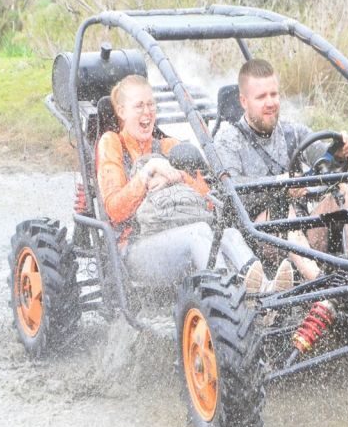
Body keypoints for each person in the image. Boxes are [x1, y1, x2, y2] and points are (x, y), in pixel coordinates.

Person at [96, 74, 293, 292]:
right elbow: (114, 211)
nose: (147, 112)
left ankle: (265, 289)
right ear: (121, 111)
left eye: (151, 104)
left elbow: (207, 199)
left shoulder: (169, 145)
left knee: (229, 234)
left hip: (180, 234)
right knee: (198, 232)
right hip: (135, 246)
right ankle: (228, 295)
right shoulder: (112, 143)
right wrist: (147, 172)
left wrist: (176, 175)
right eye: (139, 106)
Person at [214, 59, 348, 281]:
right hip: (259, 240)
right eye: (261, 97)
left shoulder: (291, 131)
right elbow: (232, 190)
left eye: (274, 94)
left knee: (347, 191)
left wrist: (338, 152)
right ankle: (320, 284)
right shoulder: (228, 139)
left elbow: (323, 159)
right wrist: (281, 184)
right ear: (243, 101)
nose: (270, 103)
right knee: (284, 210)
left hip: (303, 232)